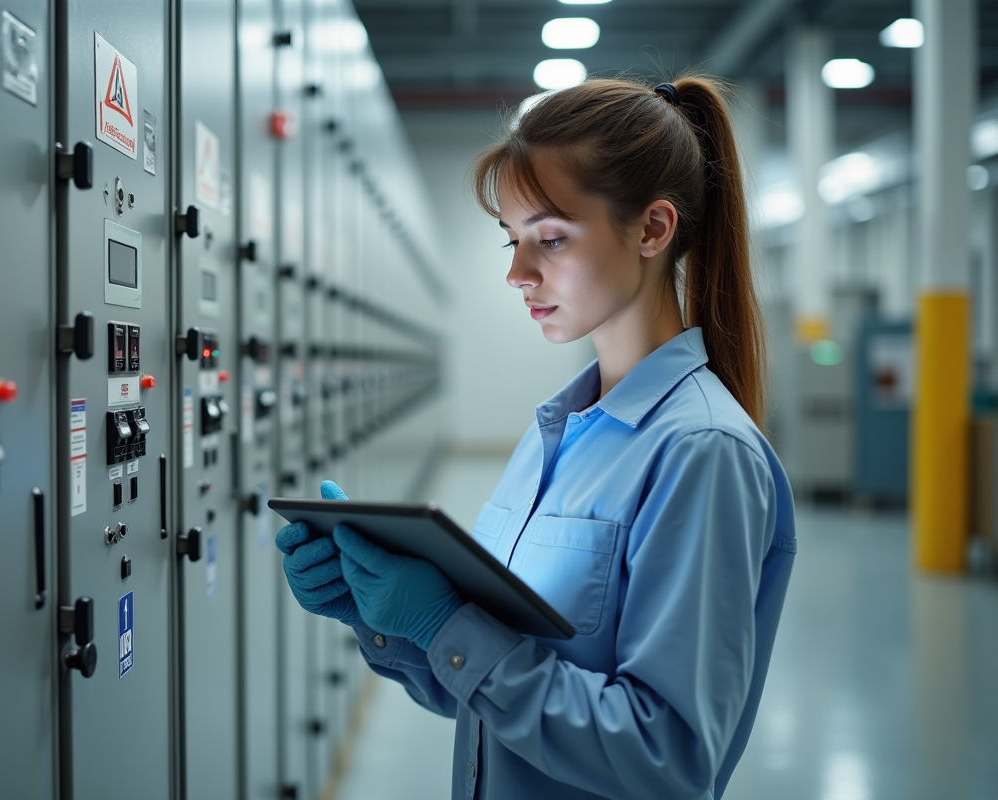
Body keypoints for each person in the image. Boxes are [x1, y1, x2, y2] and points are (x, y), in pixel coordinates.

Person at [276, 76, 797, 800]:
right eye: (513, 240)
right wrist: (385, 620)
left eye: (550, 238)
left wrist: (446, 622)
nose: (518, 273)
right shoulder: (556, 435)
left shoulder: (700, 452)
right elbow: (494, 701)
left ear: (652, 229)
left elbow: (668, 760)